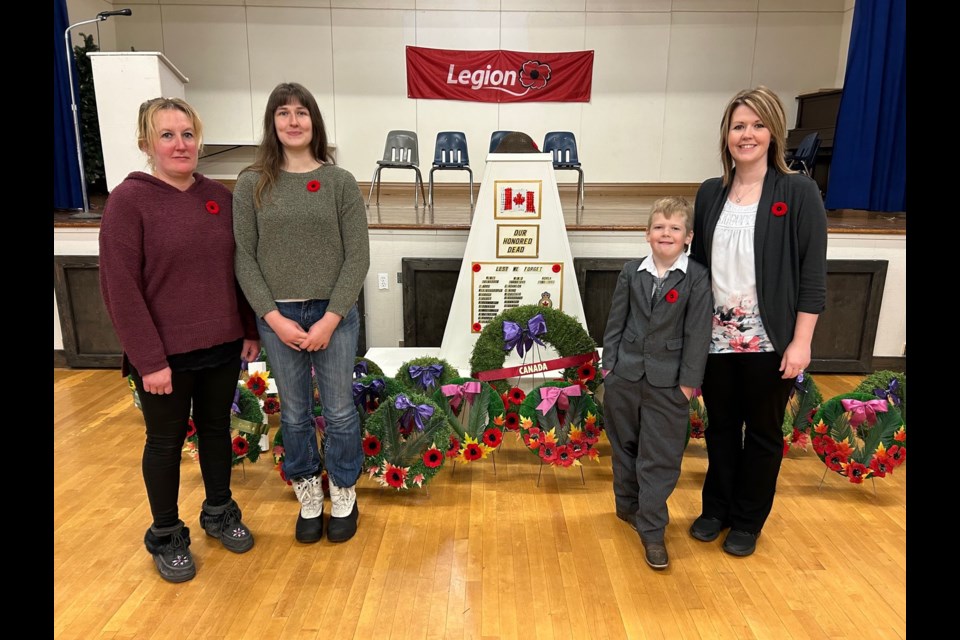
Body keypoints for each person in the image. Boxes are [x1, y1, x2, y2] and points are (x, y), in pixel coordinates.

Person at [99, 97, 260, 583]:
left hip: (222, 343)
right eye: (167, 135)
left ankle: (219, 511)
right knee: (165, 442)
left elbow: (240, 268)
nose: (180, 144)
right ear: (147, 143)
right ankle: (167, 535)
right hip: (163, 355)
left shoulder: (220, 197)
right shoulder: (129, 202)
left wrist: (249, 329)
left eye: (187, 134)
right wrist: (148, 361)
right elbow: (120, 288)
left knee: (215, 431)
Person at [688, 86, 827, 557]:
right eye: (738, 126)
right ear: (726, 135)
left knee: (764, 434)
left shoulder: (798, 191)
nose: (747, 134)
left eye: (757, 125)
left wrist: (801, 341)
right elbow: (698, 269)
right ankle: (716, 510)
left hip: (771, 340)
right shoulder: (711, 193)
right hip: (715, 339)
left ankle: (748, 520)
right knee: (721, 428)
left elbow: (812, 275)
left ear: (775, 133)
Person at [233, 82, 370, 544]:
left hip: (334, 313)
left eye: (302, 112)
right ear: (272, 123)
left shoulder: (339, 182)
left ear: (314, 121)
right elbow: (244, 258)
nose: (293, 121)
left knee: (338, 411)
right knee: (293, 414)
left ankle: (345, 491)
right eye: (283, 113)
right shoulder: (252, 183)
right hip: (278, 317)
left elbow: (358, 257)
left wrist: (331, 319)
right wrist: (273, 318)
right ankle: (309, 493)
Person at [602, 196, 712, 570]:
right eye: (660, 227)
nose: (667, 233)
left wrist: (688, 384)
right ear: (648, 234)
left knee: (659, 457)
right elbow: (616, 322)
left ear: (688, 237)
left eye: (675, 228)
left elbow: (698, 333)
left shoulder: (696, 276)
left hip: (670, 383)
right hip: (625, 377)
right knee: (625, 446)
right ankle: (627, 507)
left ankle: (652, 529)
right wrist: (608, 368)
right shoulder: (631, 272)